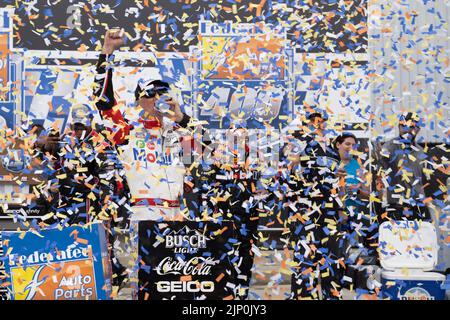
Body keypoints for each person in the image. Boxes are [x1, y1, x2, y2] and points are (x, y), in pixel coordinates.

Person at [282, 111, 346, 300]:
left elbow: (337, 181)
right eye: (313, 121)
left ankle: (331, 296)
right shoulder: (296, 144)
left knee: (332, 259)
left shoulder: (333, 151)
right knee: (305, 258)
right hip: (306, 212)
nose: (318, 124)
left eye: (322, 120)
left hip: (330, 213)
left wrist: (341, 206)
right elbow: (286, 174)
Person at [375, 112, 431, 222]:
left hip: (419, 205)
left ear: (418, 129)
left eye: (413, 127)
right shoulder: (389, 148)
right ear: (399, 126)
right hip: (397, 205)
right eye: (406, 126)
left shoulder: (421, 151)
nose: (409, 130)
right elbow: (381, 177)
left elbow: (425, 181)